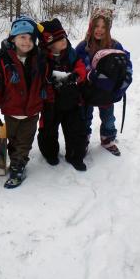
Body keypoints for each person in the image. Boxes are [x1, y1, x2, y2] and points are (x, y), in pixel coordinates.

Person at [0, 16, 54, 188]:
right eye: (22, 37)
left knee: (24, 143)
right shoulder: (1, 62)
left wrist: (48, 103)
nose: (27, 41)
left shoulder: (40, 60)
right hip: (10, 111)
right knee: (12, 141)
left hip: (32, 113)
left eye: (31, 38)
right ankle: (16, 159)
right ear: (13, 38)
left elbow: (46, 84)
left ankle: (18, 167)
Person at [76, 8, 133, 156]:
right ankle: (83, 139)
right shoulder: (83, 46)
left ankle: (107, 138)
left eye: (103, 27)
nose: (99, 30)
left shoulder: (115, 46)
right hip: (87, 92)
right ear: (91, 26)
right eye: (96, 26)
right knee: (84, 118)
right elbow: (76, 66)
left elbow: (126, 65)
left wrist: (124, 81)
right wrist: (88, 75)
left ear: (108, 29)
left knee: (108, 118)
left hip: (108, 92)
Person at [37, 18, 88, 171]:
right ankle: (50, 154)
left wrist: (76, 76)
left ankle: (75, 156)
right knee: (48, 131)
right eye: (60, 39)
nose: (64, 41)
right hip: (51, 103)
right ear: (50, 44)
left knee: (76, 130)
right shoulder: (42, 58)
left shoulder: (70, 53)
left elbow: (81, 67)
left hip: (72, 101)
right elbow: (38, 75)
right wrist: (48, 79)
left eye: (64, 37)